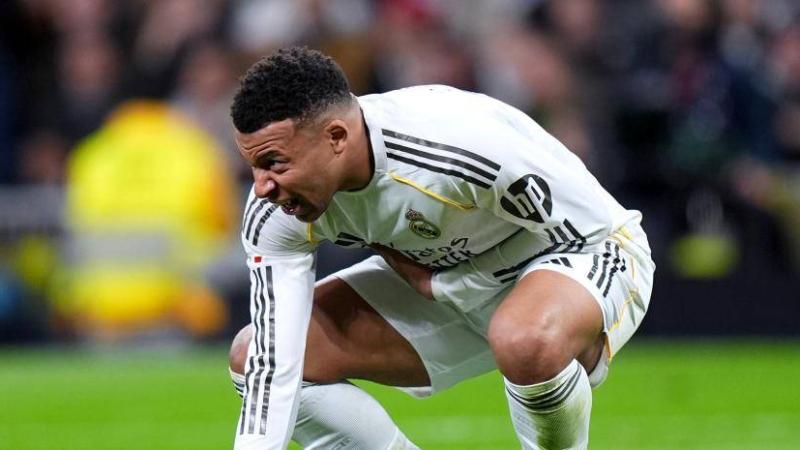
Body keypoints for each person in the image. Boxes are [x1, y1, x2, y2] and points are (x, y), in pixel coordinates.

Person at [228, 47, 654, 450]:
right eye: (254, 166)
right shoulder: (274, 212)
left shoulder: (459, 144)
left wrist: (458, 286)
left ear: (336, 137)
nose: (261, 187)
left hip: (580, 255)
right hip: (447, 287)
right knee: (252, 355)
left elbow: (593, 231)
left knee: (525, 339)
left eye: (274, 163)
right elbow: (274, 362)